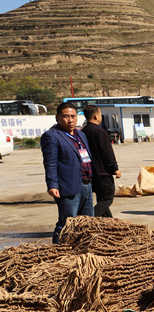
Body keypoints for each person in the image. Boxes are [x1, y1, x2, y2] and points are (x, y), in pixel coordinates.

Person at [41, 102, 94, 243]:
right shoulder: (52, 136)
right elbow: (50, 163)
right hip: (68, 186)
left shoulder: (81, 135)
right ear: (57, 117)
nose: (70, 120)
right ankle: (57, 252)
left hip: (86, 184)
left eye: (73, 116)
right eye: (66, 116)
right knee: (66, 222)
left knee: (87, 222)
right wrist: (52, 185)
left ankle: (82, 249)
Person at [82, 105, 121, 217]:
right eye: (100, 114)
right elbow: (107, 153)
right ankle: (89, 218)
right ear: (95, 116)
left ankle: (109, 222)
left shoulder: (83, 131)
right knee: (107, 198)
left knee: (102, 199)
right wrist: (115, 168)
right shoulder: (100, 132)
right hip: (103, 172)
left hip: (91, 172)